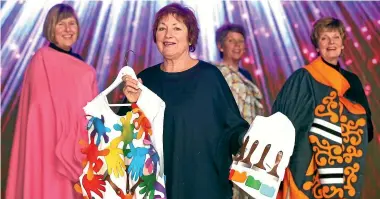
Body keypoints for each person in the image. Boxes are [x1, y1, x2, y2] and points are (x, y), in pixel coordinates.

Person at [118, 3, 249, 199]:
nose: (168, 34)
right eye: (162, 28)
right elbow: (120, 136)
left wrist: (255, 140)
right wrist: (132, 105)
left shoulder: (209, 77)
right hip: (155, 189)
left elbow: (233, 130)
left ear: (190, 37)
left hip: (205, 187)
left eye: (177, 28)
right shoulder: (145, 80)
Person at [272, 17, 373, 199]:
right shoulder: (304, 78)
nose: (331, 42)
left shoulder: (354, 82)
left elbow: (367, 128)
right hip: (309, 168)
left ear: (343, 44)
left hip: (346, 167)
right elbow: (284, 122)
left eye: (335, 37)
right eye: (324, 38)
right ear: (317, 46)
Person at [5, 4, 98, 199]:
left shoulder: (85, 70)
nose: (67, 29)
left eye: (72, 24)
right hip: (45, 149)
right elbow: (38, 112)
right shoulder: (41, 60)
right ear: (50, 28)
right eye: (61, 24)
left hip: (76, 149)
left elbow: (91, 112)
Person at [215, 24, 263, 199]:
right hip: (225, 145)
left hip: (248, 145)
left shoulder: (247, 77)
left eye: (240, 41)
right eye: (231, 41)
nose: (237, 45)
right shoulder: (216, 74)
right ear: (221, 46)